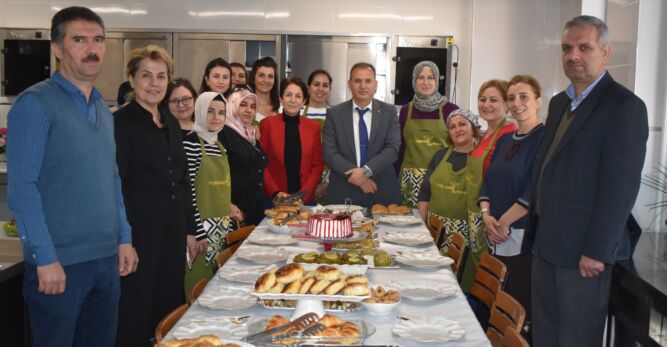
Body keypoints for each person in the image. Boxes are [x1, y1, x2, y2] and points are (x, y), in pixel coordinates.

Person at [7, 6, 137, 346]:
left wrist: (124, 237)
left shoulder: (103, 111)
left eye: (98, 40)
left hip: (106, 262)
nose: (91, 49)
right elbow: (22, 189)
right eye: (79, 40)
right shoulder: (35, 104)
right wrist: (44, 257)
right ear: (57, 48)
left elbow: (112, 180)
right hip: (59, 265)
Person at [526, 16, 648, 347]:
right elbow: (548, 169)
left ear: (605, 52)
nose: (573, 55)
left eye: (584, 47)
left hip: (584, 255)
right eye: (567, 48)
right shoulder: (559, 102)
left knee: (576, 340)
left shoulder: (625, 107)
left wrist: (597, 250)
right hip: (547, 246)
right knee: (546, 337)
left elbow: (620, 189)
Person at [114, 44, 196, 347]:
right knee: (137, 306)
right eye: (146, 75)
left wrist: (188, 229)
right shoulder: (121, 122)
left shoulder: (169, 120)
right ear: (132, 79)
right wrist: (124, 239)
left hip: (172, 228)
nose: (154, 83)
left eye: (161, 76)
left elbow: (183, 179)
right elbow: (117, 184)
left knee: (169, 302)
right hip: (140, 231)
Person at [478, 74, 545, 339]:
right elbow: (488, 181)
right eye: (512, 97)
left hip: (522, 238)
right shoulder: (506, 139)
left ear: (538, 101)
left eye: (524, 97)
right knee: (497, 310)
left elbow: (536, 188)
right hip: (494, 234)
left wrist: (503, 222)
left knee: (517, 314)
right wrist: (486, 215)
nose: (517, 103)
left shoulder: (545, 138)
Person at [183, 92, 243, 298]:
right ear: (199, 111)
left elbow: (218, 187)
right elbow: (189, 190)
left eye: (221, 113)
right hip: (202, 232)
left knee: (216, 287)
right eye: (210, 111)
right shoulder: (191, 144)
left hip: (220, 228)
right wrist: (198, 231)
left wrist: (229, 205)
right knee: (198, 289)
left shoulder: (219, 146)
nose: (216, 117)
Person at [416, 108, 484, 292]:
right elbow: (424, 193)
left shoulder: (481, 158)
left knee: (462, 285)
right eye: (452, 126)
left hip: (466, 234)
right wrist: (423, 229)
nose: (457, 129)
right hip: (435, 229)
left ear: (474, 128)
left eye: (462, 124)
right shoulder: (440, 155)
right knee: (432, 281)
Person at [323, 62, 402, 208]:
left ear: (375, 84)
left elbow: (392, 149)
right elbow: (329, 153)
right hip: (344, 190)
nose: (363, 86)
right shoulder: (335, 114)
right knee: (340, 231)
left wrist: (365, 172)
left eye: (368, 81)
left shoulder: (389, 112)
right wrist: (358, 178)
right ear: (349, 84)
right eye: (357, 80)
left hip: (381, 191)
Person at [396, 61, 459, 206]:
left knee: (436, 224)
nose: (425, 82)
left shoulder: (451, 109)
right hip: (409, 181)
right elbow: (400, 149)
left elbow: (459, 148)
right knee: (408, 225)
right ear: (414, 81)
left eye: (430, 77)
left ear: (436, 81)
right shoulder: (406, 110)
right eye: (420, 77)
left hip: (440, 179)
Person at [260, 77, 324, 204]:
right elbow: (262, 163)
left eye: (298, 96)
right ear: (281, 98)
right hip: (275, 198)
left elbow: (317, 165)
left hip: (304, 197)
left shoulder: (313, 127)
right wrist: (276, 193)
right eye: (288, 95)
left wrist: (303, 194)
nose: (293, 100)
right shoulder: (267, 124)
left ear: (304, 101)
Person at [220, 88, 268, 226]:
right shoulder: (223, 133)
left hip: (254, 207)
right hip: (235, 211)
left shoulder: (251, 134)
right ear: (232, 105)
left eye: (253, 107)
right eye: (243, 104)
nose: (249, 110)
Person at [471, 79, 517, 174]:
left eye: (493, 100)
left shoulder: (510, 135)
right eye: (482, 99)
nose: (486, 105)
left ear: (507, 104)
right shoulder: (486, 132)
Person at [303, 69, 333, 201]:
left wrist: (326, 183)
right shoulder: (297, 112)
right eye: (316, 84)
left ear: (330, 90)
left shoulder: (336, 115)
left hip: (330, 180)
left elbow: (342, 152)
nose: (321, 89)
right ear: (308, 88)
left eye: (325, 85)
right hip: (301, 178)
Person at [249, 57, 279, 121]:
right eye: (261, 75)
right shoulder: (244, 105)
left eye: (270, 76)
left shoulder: (281, 107)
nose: (266, 80)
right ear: (253, 79)